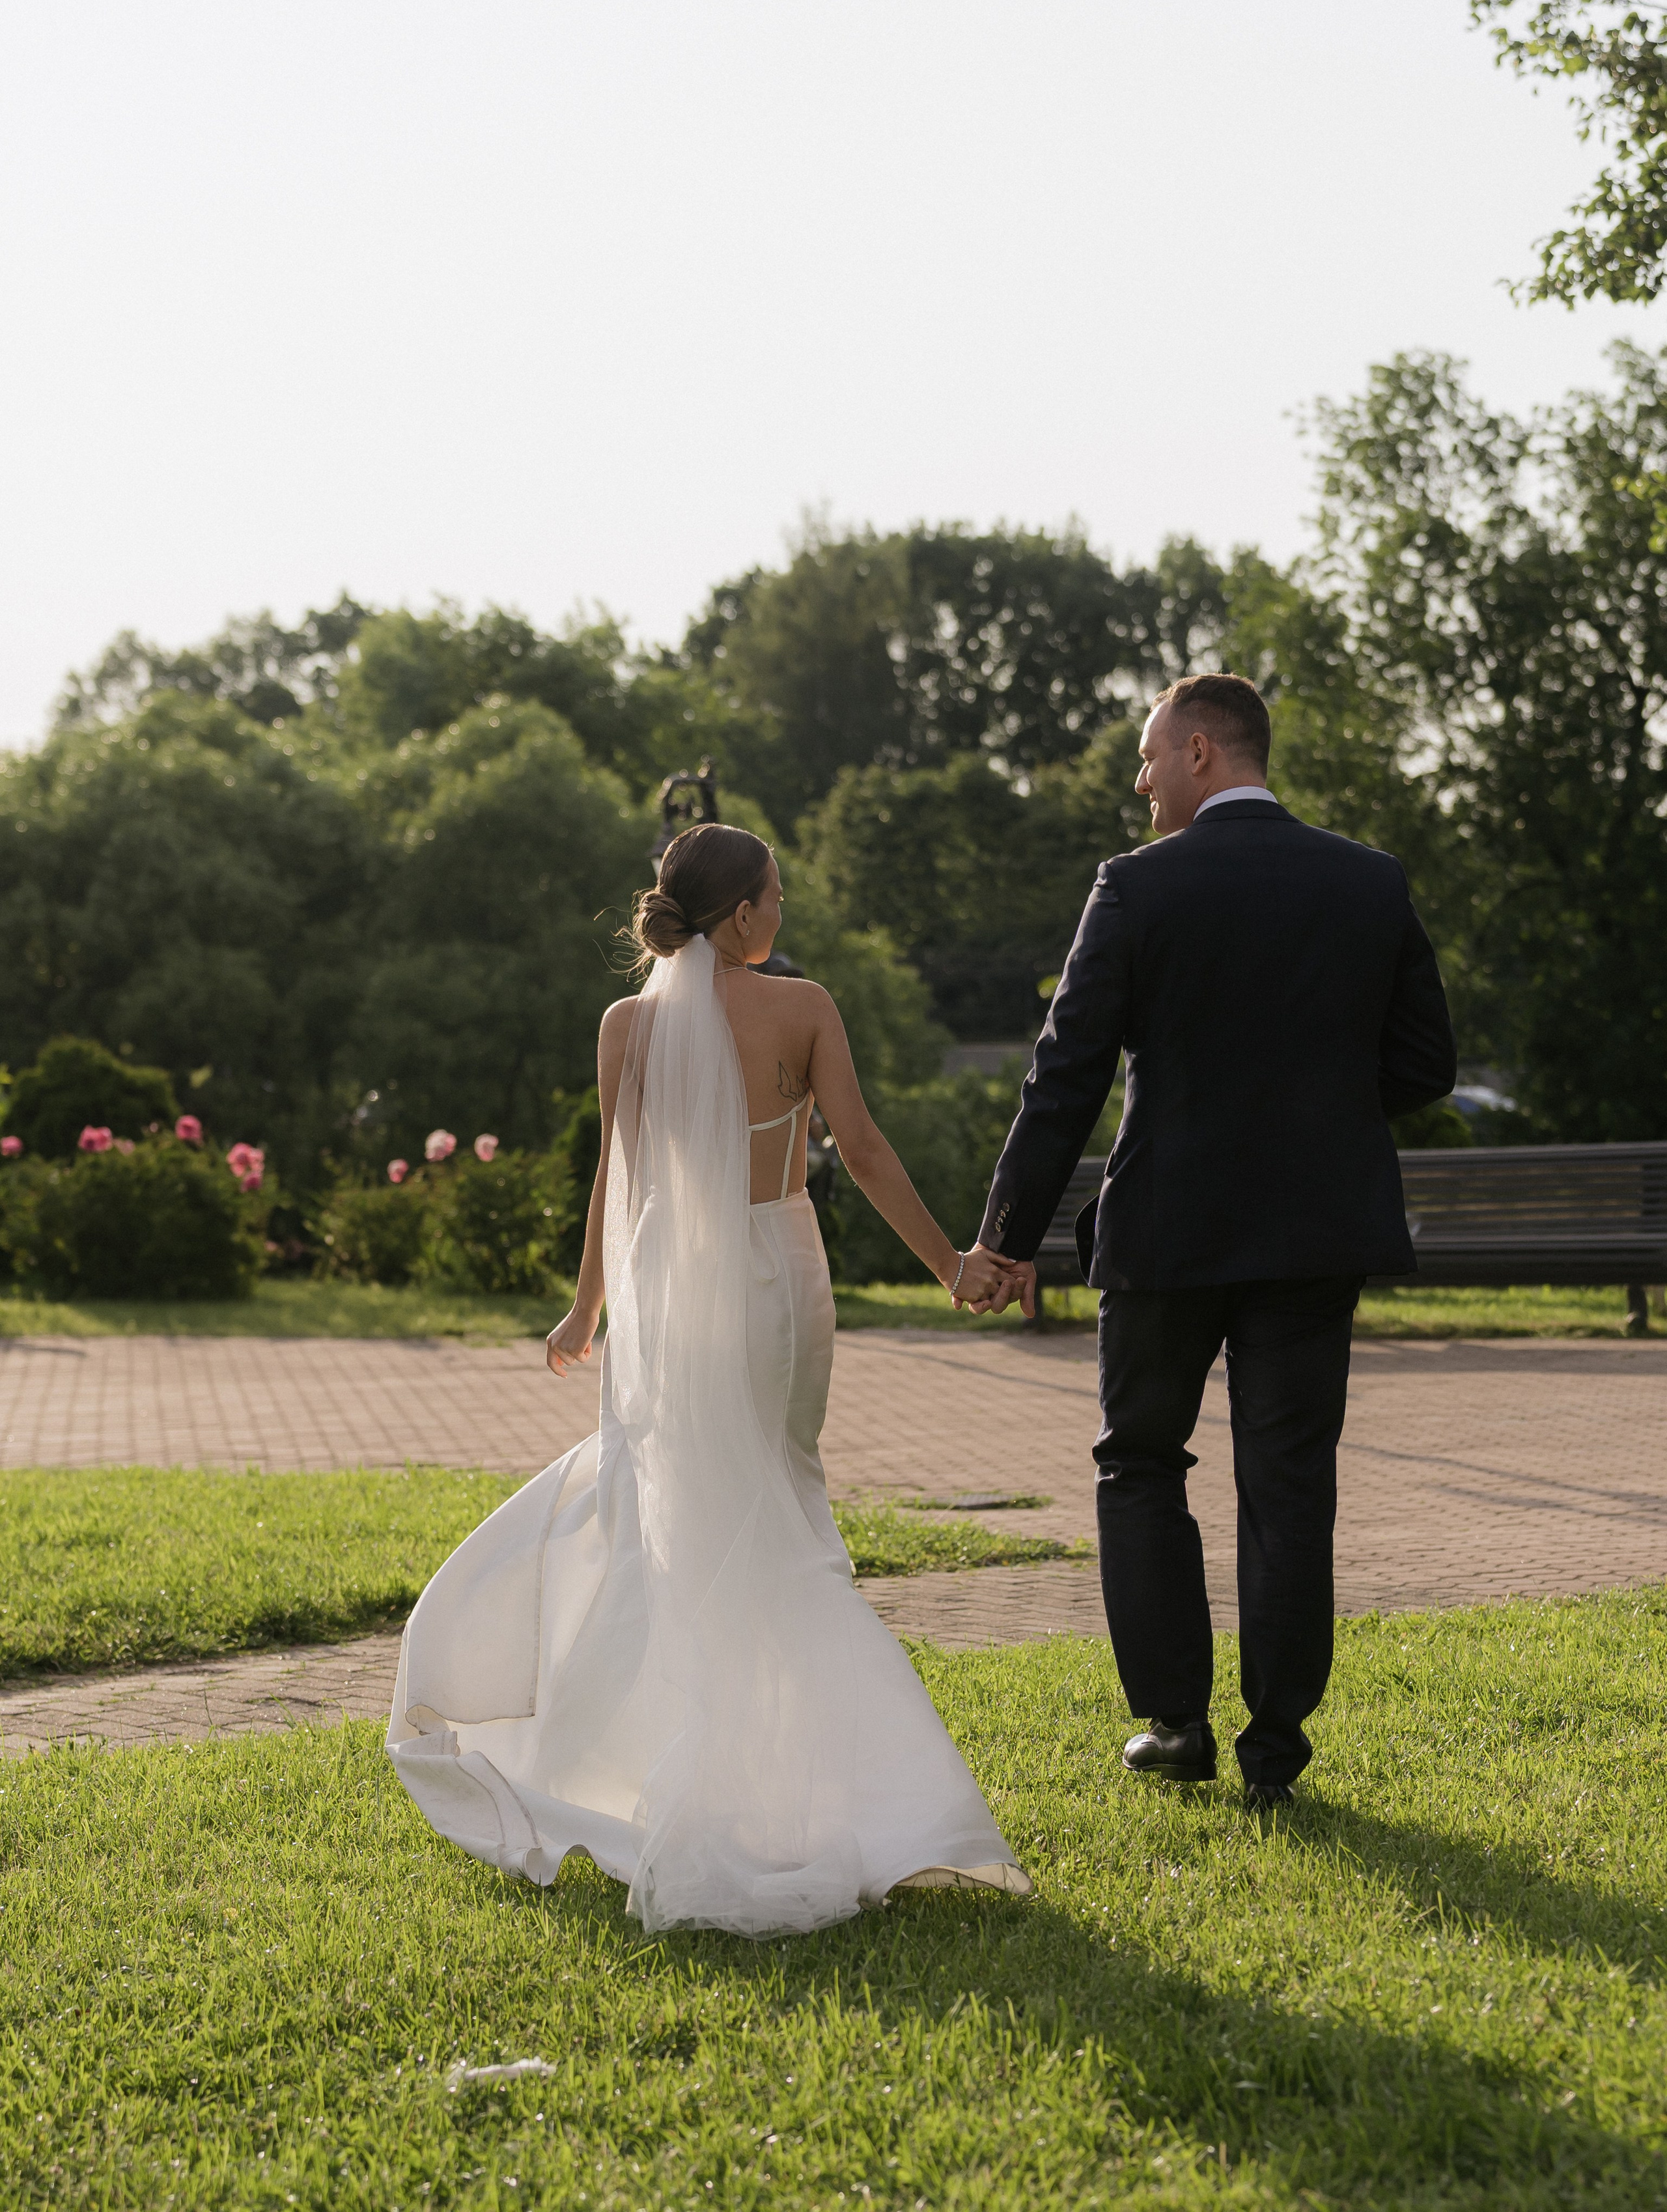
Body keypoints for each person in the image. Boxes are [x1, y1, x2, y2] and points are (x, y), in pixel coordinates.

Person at [387, 823, 1030, 1935]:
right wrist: (950, 1266)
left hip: (664, 1289)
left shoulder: (625, 1023)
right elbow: (865, 1151)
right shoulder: (802, 1007)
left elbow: (617, 1173)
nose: (784, 910)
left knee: (685, 1514)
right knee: (782, 1504)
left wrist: (589, 1301)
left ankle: (695, 1773)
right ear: (742, 917)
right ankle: (822, 1794)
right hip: (776, 1273)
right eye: (775, 894)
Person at [968, 675, 1457, 1807]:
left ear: (1198, 751)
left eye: (1145, 759)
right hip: (1315, 1231)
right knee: (1291, 1483)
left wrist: (1006, 1236)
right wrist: (1317, 1117)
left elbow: (1066, 1075)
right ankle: (1277, 1746)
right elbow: (1425, 1062)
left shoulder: (1136, 889)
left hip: (1167, 1231)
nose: (1138, 784)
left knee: (1141, 1459)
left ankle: (1176, 1722)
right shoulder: (1369, 881)